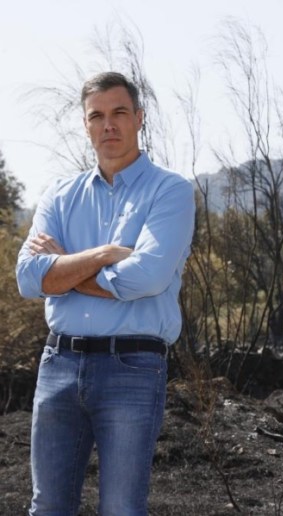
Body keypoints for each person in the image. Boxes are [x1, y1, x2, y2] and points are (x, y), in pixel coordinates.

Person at [16, 71, 195, 515]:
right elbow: (27, 277)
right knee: (47, 507)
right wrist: (100, 256)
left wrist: (65, 268)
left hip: (131, 367)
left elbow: (147, 277)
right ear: (85, 125)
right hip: (58, 365)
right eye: (97, 116)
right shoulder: (59, 195)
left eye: (119, 113)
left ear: (139, 118)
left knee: (121, 509)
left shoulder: (169, 191)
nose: (108, 125)